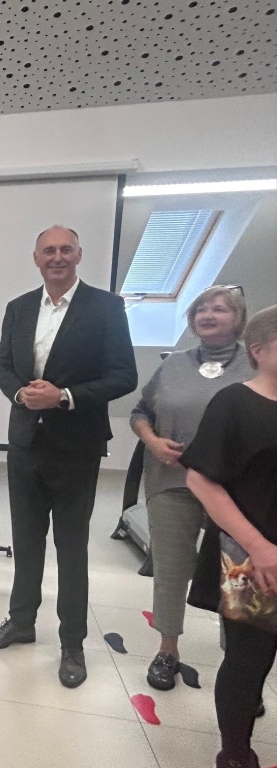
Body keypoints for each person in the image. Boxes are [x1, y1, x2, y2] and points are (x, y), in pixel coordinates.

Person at [0, 225, 137, 689]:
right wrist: (21, 394)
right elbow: (0, 366)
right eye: (49, 250)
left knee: (71, 547)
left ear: (79, 254)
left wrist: (64, 396)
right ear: (36, 258)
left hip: (77, 447)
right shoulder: (19, 308)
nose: (58, 257)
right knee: (26, 541)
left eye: (66, 249)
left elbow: (124, 376)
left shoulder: (105, 307)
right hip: (25, 443)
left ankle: (72, 644)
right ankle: (20, 622)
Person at [130, 285, 252, 690]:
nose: (208, 315)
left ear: (239, 318)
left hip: (235, 489)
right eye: (201, 309)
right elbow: (140, 411)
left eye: (220, 309)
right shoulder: (174, 364)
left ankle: (238, 664)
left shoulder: (256, 365)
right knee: (170, 568)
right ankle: (167, 650)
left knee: (235, 574)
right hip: (172, 480)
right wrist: (152, 441)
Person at [182, 305, 277, 768]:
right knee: (248, 658)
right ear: (258, 350)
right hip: (248, 557)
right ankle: (236, 754)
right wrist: (261, 549)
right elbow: (201, 480)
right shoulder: (234, 403)